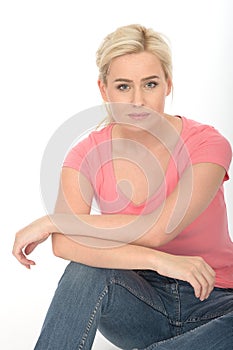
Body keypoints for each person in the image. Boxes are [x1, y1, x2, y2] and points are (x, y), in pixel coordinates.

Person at [12, 24, 233, 350]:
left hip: (216, 304)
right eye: (123, 86)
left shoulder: (207, 143)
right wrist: (159, 262)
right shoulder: (86, 154)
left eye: (150, 84)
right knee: (85, 271)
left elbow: (160, 229)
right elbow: (65, 245)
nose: (138, 101)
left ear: (168, 84)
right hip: (140, 304)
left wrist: (52, 220)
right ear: (104, 90)